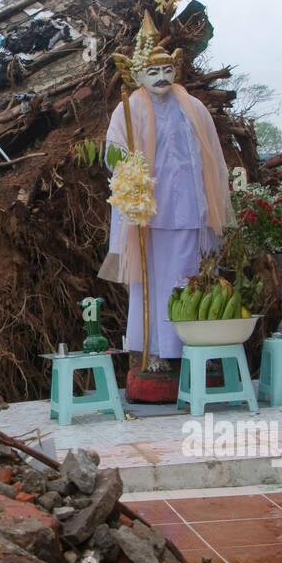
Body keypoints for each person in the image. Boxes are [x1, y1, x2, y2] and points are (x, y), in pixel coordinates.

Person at [99, 20, 232, 378]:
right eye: (152, 71)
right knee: (154, 284)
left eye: (166, 70)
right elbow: (111, 157)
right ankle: (155, 352)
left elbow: (214, 161)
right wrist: (131, 173)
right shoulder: (127, 110)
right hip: (152, 215)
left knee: (194, 279)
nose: (161, 77)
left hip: (194, 211)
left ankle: (197, 349)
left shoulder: (195, 108)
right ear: (138, 75)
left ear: (175, 69)